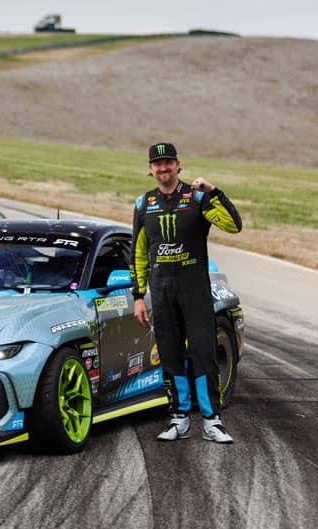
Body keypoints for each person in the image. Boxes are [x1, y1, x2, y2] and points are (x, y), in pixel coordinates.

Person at [130, 142, 242, 444]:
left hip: (194, 290)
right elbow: (138, 254)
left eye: (168, 163)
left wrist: (214, 190)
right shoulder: (143, 204)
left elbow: (234, 226)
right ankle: (178, 419)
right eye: (157, 164)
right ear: (150, 169)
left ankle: (211, 420)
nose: (163, 169)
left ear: (179, 165)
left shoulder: (198, 198)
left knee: (203, 354)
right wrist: (138, 296)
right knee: (170, 355)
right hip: (162, 291)